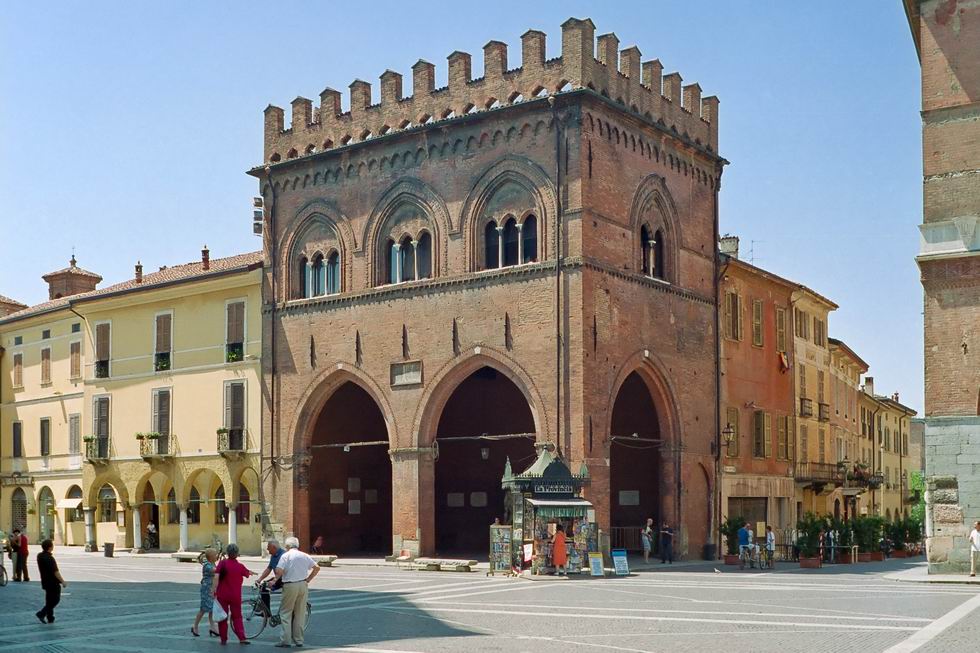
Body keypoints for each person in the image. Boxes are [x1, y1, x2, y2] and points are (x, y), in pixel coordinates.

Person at [274, 536, 320, 648]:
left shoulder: (285, 556)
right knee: (300, 613)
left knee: (286, 613)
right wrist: (309, 579)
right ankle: (299, 640)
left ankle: (286, 640)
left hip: (290, 585)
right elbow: (317, 567)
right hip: (303, 585)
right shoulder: (305, 555)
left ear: (288, 546)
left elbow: (279, 571)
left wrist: (275, 579)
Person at [212, 543, 254, 646]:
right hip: (235, 595)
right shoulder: (240, 566)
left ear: (227, 553)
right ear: (237, 554)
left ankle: (223, 639)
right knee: (237, 617)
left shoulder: (222, 563)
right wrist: (251, 572)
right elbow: (247, 573)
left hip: (222, 595)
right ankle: (242, 637)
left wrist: (213, 590)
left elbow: (216, 577)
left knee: (223, 617)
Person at [35, 539, 66, 624]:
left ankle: (50, 617)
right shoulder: (49, 558)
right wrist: (63, 581)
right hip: (53, 582)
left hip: (45, 581)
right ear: (50, 547)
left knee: (49, 600)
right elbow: (55, 572)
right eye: (52, 545)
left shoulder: (40, 556)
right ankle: (42, 613)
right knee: (55, 600)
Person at [192, 548, 219, 638]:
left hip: (212, 588)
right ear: (211, 557)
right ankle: (195, 626)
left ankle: (212, 627)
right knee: (203, 609)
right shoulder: (207, 565)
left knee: (212, 608)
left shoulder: (212, 563)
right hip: (206, 589)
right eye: (215, 555)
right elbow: (216, 571)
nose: (217, 556)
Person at [256, 539, 284, 612]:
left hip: (285, 579)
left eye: (268, 547)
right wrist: (260, 579)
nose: (267, 549)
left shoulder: (283, 555)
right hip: (278, 578)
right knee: (263, 587)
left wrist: (274, 581)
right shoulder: (273, 556)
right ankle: (266, 611)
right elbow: (269, 568)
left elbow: (282, 571)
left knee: (266, 587)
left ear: (274, 547)